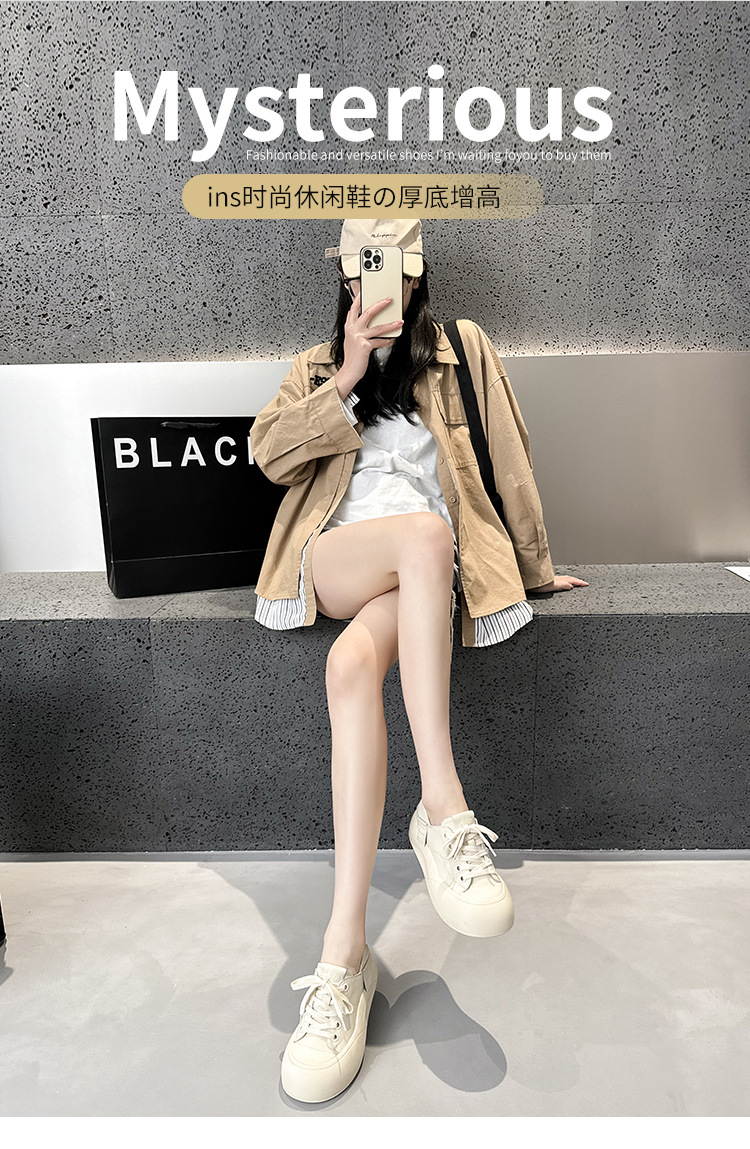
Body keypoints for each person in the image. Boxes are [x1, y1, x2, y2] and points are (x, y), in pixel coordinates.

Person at [250, 218, 588, 1103]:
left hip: (425, 576)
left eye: (392, 270)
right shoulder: (316, 366)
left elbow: (510, 465)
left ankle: (343, 957)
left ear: (417, 274)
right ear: (344, 279)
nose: (376, 286)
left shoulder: (461, 352)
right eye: (361, 270)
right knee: (423, 534)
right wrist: (349, 375)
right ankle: (441, 805)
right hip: (337, 556)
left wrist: (533, 569)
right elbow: (268, 456)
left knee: (351, 668)